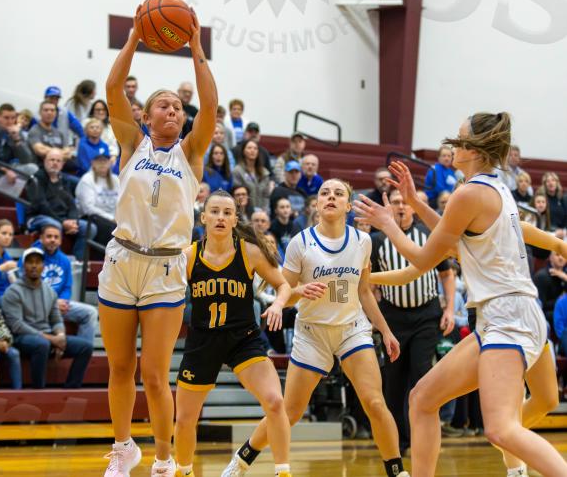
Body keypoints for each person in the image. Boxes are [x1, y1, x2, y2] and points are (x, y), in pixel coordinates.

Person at [353, 112, 567, 476]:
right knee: (423, 399)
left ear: (475, 150)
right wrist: (415, 203)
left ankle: (523, 464)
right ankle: (514, 467)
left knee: (500, 429)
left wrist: (389, 223)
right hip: (512, 314)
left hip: (507, 317)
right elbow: (451, 238)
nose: (452, 146)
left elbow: (423, 259)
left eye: (460, 139)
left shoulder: (469, 194)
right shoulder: (496, 188)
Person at [99, 7, 216, 476]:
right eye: (164, 105)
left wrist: (196, 48)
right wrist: (132, 39)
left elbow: (210, 106)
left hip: (166, 267)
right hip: (122, 260)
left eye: (178, 107)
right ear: (146, 116)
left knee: (153, 373)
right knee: (120, 367)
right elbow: (113, 90)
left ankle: (164, 458)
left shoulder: (192, 152)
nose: (173, 110)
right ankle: (123, 448)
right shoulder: (131, 143)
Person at [225, 178, 406, 477]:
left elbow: (363, 291)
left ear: (348, 205)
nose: (331, 197)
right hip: (312, 333)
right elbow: (283, 292)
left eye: (338, 193)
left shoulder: (363, 241)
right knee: (290, 412)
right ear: (317, 204)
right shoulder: (301, 242)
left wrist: (385, 331)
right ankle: (242, 460)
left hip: (351, 329)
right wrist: (299, 291)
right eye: (325, 193)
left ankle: (398, 472)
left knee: (375, 402)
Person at [174, 191, 294, 477]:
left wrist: (278, 305)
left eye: (227, 213)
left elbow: (284, 285)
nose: (220, 217)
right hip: (203, 341)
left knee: (276, 402)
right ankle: (183, 471)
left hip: (243, 339)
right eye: (215, 212)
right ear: (203, 217)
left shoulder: (249, 252)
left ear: (235, 219)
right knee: (185, 418)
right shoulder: (188, 256)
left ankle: (283, 472)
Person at [369, 183, 456, 454]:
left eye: (405, 202)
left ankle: (424, 439)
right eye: (396, 202)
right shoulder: (377, 240)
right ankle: (400, 442)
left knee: (422, 377)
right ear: (389, 207)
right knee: (394, 383)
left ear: (413, 208)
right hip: (393, 317)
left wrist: (450, 309)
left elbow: (447, 274)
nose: (401, 206)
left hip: (425, 316)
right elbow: (368, 284)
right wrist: (372, 317)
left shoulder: (428, 234)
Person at [2, 247, 93, 389]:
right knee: (42, 344)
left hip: (47, 337)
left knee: (85, 347)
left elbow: (56, 319)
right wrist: (51, 339)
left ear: (43, 266)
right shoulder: (13, 291)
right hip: (21, 338)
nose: (34, 266)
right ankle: (38, 390)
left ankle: (71, 388)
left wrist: (60, 336)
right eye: (30, 262)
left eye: (38, 262)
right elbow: (17, 325)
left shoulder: (49, 291)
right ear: (23, 266)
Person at [34, 224, 99, 345]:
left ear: (60, 241)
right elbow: (28, 288)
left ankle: (83, 350)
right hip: (37, 305)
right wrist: (53, 304)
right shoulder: (31, 258)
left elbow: (67, 287)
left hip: (59, 304)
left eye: (56, 237)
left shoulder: (64, 260)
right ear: (41, 238)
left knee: (91, 313)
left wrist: (63, 301)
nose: (53, 239)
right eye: (49, 236)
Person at [25, 148, 94, 260]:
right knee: (54, 226)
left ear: (62, 164)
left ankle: (78, 262)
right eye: (52, 160)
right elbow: (42, 206)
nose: (55, 163)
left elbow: (71, 203)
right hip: (37, 217)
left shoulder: (64, 180)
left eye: (58, 161)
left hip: (62, 219)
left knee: (89, 228)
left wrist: (72, 221)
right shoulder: (36, 179)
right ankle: (53, 261)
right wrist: (62, 222)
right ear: (45, 161)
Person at [75, 150, 119, 249]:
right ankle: (103, 256)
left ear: (110, 163)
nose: (102, 164)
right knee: (109, 227)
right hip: (91, 218)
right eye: (99, 161)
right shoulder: (87, 180)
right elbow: (88, 208)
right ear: (93, 163)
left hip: (113, 218)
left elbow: (122, 203)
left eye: (105, 161)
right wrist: (111, 218)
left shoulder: (116, 180)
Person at [232, 139, 272, 212]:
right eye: (249, 148)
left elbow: (266, 196)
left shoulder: (265, 172)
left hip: (262, 212)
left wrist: (264, 211)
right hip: (244, 212)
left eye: (255, 148)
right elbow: (238, 195)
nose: (252, 150)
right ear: (243, 151)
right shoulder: (237, 171)